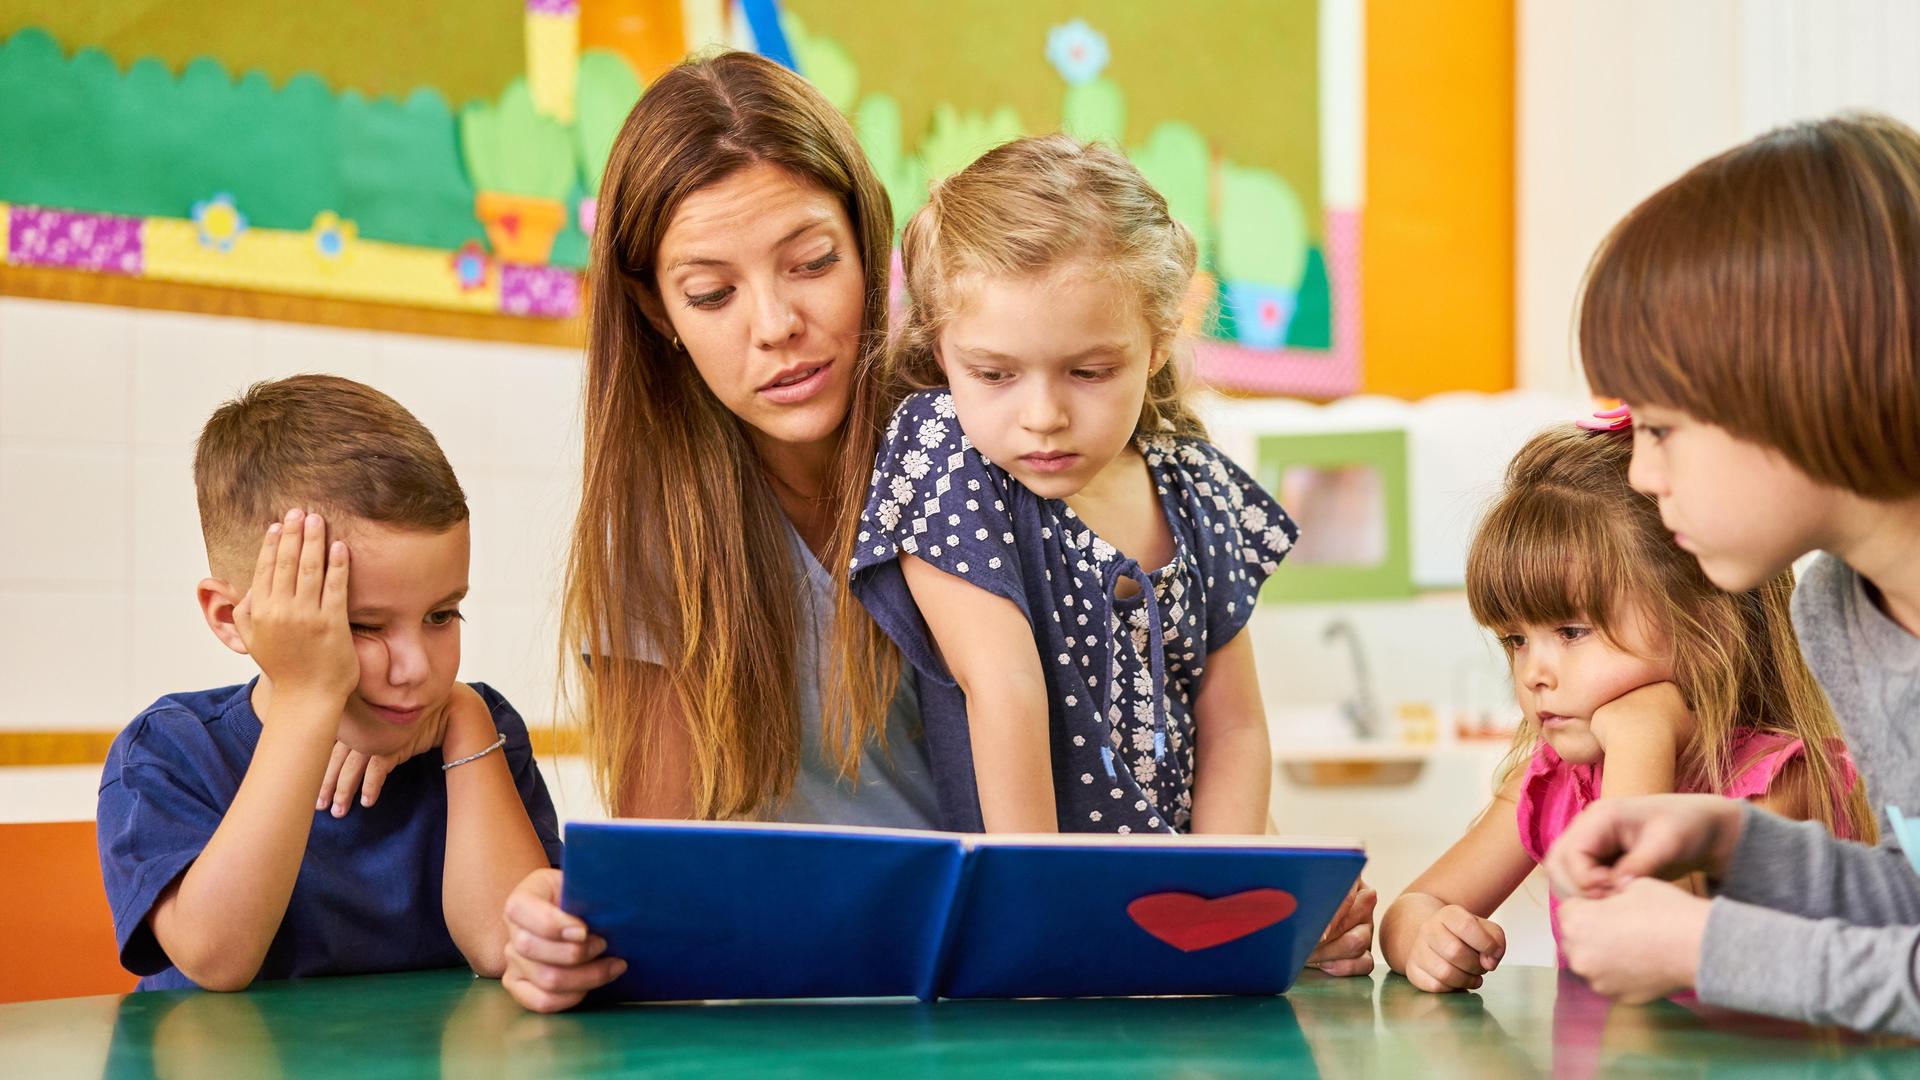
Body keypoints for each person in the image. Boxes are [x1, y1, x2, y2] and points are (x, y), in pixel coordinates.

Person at [497, 55, 1375, 1011]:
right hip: (815, 998)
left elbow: (1168, 721)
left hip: (1009, 988)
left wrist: (1261, 906)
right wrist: (563, 936)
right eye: (712, 294)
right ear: (657, 312)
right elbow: (666, 877)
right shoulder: (661, 532)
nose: (778, 324)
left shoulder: (1003, 443)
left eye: (813, 262)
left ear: (875, 249)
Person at [1539, 112, 1920, 1037]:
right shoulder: (1843, 610)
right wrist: (1729, 842)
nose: (1640, 473)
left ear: (1805, 382)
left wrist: (1708, 949)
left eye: (1663, 429)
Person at [848, 134, 1287, 836]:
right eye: (994, 375)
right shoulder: (946, 454)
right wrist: (1045, 906)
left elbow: (1234, 726)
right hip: (1035, 910)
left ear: (1158, 344)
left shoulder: (1194, 484)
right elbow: (1004, 688)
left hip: (1178, 913)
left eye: (1089, 372)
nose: (1043, 418)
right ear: (941, 349)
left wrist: (1222, 897)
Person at [96, 375, 563, 991]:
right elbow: (216, 958)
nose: (417, 667)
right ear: (233, 618)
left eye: (442, 615)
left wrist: (466, 719)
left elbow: (505, 947)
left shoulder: (482, 731)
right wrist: (306, 700)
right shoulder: (169, 749)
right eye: (363, 625)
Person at [1381, 421, 1870, 992]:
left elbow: (1635, 929)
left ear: (1704, 629)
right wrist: (1428, 938)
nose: (1534, 673)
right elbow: (1414, 904)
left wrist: (1643, 737)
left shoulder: (1786, 784)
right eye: (1515, 640)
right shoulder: (1551, 781)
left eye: (1571, 631)